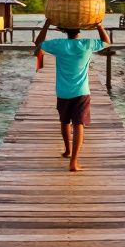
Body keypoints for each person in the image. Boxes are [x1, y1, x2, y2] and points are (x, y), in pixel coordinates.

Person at [34, 21, 110, 172]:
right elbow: (107, 43)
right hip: (81, 92)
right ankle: (73, 162)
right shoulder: (87, 44)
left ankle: (67, 151)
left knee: (64, 121)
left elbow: (38, 43)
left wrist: (47, 24)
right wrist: (99, 26)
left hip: (63, 91)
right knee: (78, 124)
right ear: (80, 29)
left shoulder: (59, 45)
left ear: (64, 31)